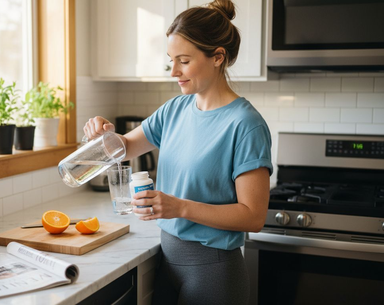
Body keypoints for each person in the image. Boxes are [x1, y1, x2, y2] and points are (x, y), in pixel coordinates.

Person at [83, 0, 272, 304]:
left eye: (183, 60)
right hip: (169, 262)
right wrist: (104, 132)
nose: (174, 72)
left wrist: (180, 207)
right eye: (171, 60)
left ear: (217, 57)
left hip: (215, 273)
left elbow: (253, 216)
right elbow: (127, 146)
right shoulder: (176, 109)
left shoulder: (245, 124)